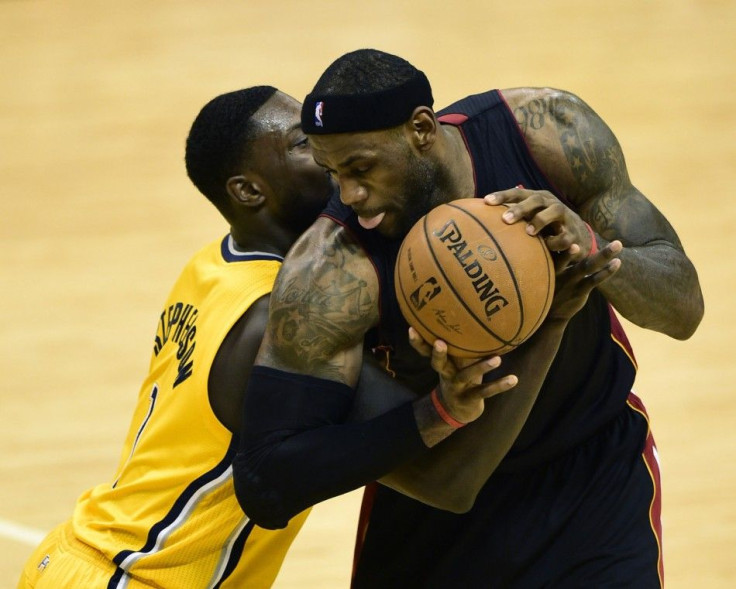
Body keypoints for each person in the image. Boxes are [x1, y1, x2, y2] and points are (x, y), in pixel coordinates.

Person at [233, 49, 704, 588]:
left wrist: (592, 247)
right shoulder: (332, 270)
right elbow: (270, 479)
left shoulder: (546, 132)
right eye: (331, 172)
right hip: (434, 509)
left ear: (421, 128)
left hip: (594, 475)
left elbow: (683, 308)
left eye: (361, 168)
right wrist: (449, 403)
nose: (349, 195)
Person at [17, 86, 341, 589]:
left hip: (81, 556)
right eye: (303, 142)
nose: (327, 150)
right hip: (139, 576)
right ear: (248, 191)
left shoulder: (214, 264)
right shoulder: (272, 319)